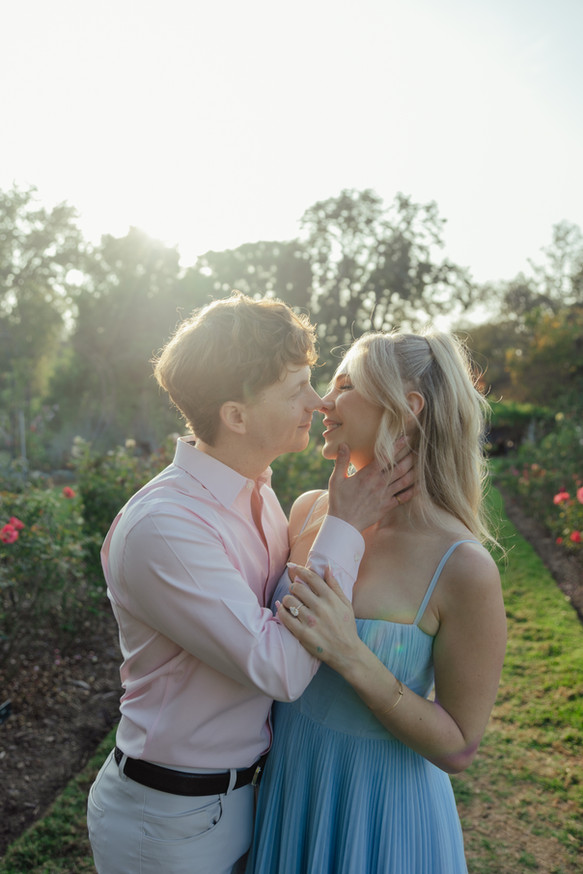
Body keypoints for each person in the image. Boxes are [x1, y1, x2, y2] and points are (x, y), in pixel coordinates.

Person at [86, 293, 415, 874]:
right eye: (296, 389)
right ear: (236, 416)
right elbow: (281, 669)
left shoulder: (259, 494)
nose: (317, 403)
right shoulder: (166, 527)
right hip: (169, 823)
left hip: (245, 800)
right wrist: (345, 525)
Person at [246, 329, 507, 874]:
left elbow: (459, 748)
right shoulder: (309, 512)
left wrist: (352, 655)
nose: (322, 401)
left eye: (344, 386)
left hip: (382, 814)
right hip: (288, 793)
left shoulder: (462, 566)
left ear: (406, 408)